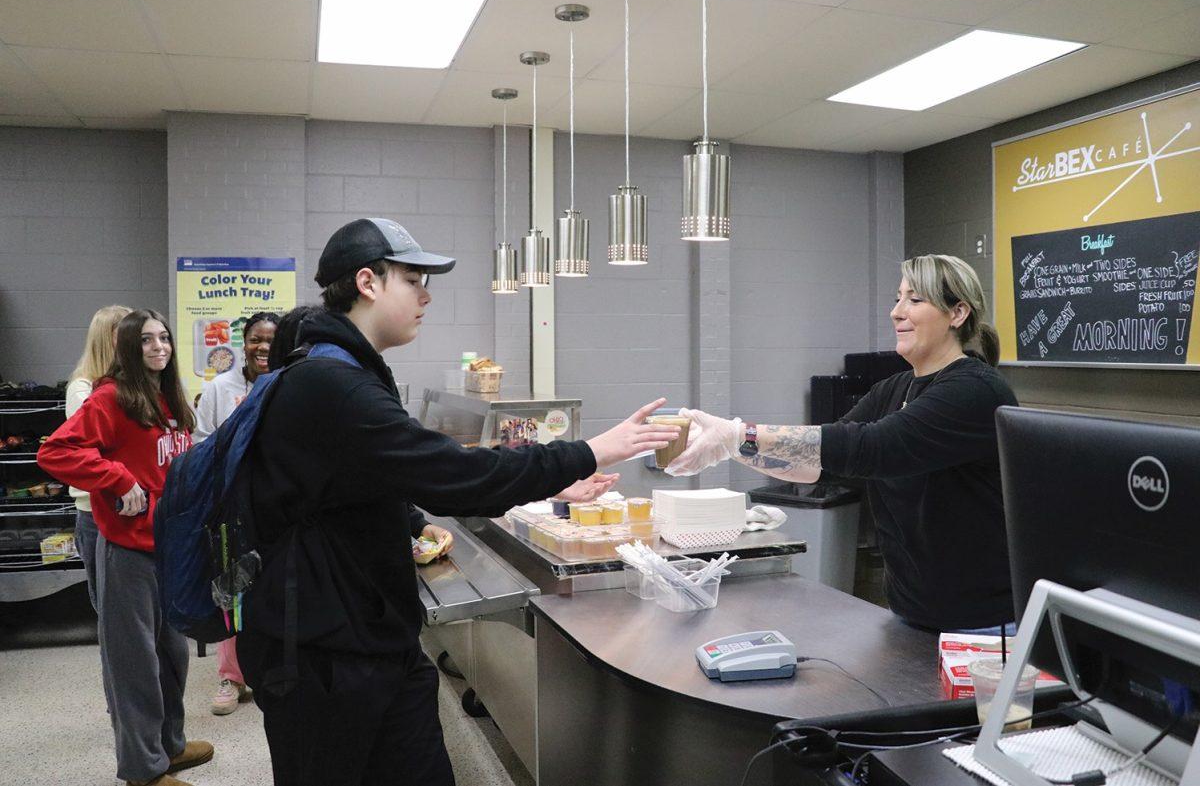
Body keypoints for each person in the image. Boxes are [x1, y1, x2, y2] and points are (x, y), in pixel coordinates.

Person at [235, 218, 676, 786]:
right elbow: (455, 475)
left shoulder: (346, 370)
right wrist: (589, 451)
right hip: (321, 653)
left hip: (372, 636)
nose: (426, 295)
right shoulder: (329, 382)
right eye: (413, 279)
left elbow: (390, 468)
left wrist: (547, 482)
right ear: (368, 282)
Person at [667, 254, 1019, 634]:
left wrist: (741, 433)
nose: (897, 312)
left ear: (958, 312)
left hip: (982, 626)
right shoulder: (893, 389)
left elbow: (873, 447)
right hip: (912, 614)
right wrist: (734, 448)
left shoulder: (973, 390)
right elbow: (821, 464)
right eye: (897, 298)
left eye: (915, 300)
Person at [39, 309, 213, 786]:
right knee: (133, 663)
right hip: (126, 550)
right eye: (146, 341)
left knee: (173, 656)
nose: (159, 347)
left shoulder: (169, 397)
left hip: (170, 549)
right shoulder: (110, 397)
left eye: (164, 338)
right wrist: (116, 478)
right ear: (127, 348)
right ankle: (143, 769)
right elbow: (54, 451)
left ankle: (169, 747)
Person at [193, 311, 279, 716]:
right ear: (242, 343)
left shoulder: (287, 383)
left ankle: (268, 668)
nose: (263, 347)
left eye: (270, 340)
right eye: (255, 339)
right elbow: (201, 442)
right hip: (230, 506)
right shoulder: (219, 389)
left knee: (273, 586)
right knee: (232, 589)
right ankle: (231, 677)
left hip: (276, 505)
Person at [65, 304, 132, 612]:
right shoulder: (83, 390)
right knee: (111, 610)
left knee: (137, 608)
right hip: (97, 512)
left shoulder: (135, 387)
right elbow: (97, 451)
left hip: (136, 509)